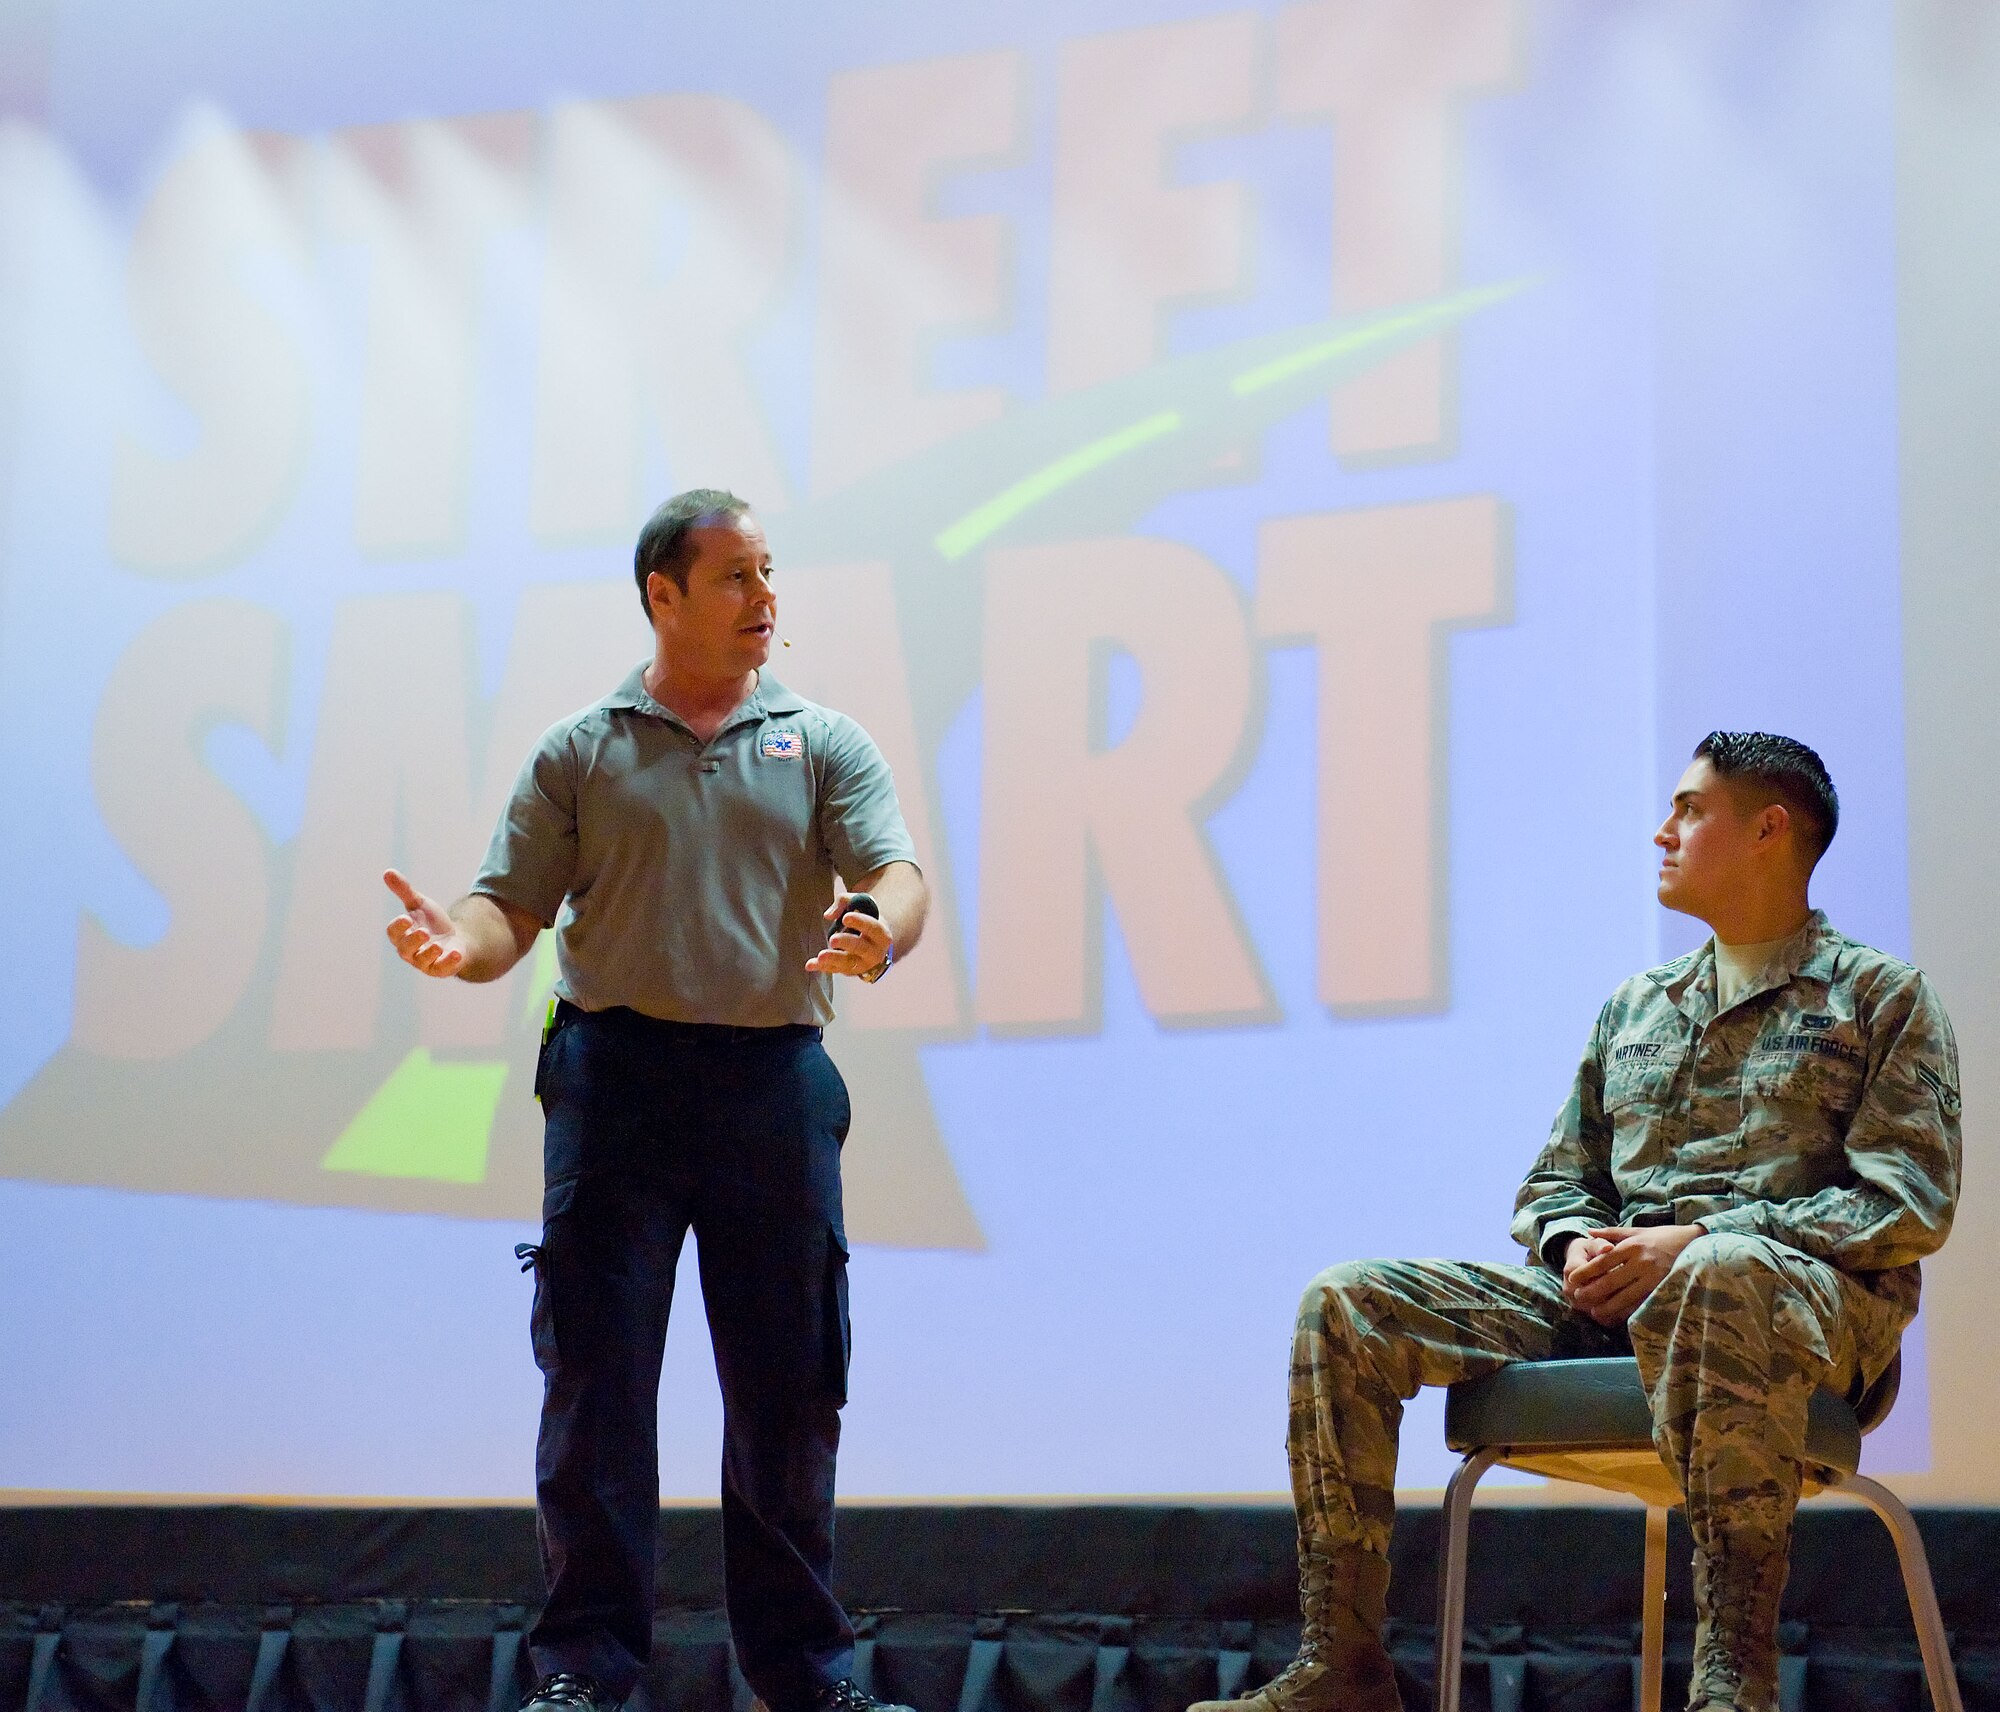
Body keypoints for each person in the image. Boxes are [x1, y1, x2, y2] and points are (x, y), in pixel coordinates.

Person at [1194, 732, 1961, 1712]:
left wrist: (1690, 1242)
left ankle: (1733, 1682)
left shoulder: (1878, 996)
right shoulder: (1636, 1006)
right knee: (1347, 1301)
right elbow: (1555, 1181)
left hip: (1794, 1320)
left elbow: (1903, 1199)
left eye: (1689, 808)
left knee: (1718, 1271)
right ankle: (1341, 1667)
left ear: (1768, 827)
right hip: (1612, 1305)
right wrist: (1573, 1245)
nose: (1661, 828)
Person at [382, 489, 929, 1712]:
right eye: (735, 576)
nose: (764, 597)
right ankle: (582, 1671)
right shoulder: (582, 747)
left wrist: (876, 934)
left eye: (769, 572)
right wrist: (456, 951)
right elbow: (504, 909)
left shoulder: (820, 738)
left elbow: (894, 872)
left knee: (788, 1392)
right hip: (614, 1081)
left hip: (770, 1085)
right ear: (662, 595)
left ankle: (805, 1677)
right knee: (597, 1387)